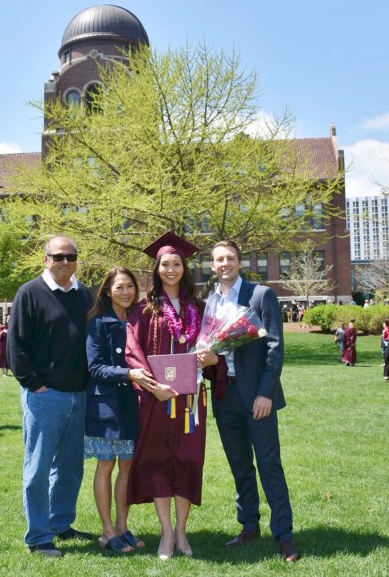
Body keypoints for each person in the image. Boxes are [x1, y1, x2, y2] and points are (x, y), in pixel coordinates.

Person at [125, 232, 219, 561]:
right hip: (158, 399)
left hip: (191, 400)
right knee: (159, 461)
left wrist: (214, 358)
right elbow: (133, 352)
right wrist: (153, 387)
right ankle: (166, 531)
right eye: (165, 264)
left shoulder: (200, 308)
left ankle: (182, 530)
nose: (171, 269)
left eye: (176, 264)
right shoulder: (145, 309)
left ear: (185, 268)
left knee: (189, 460)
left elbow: (213, 348)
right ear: (157, 268)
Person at [206, 240, 301, 563]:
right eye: (219, 259)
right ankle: (248, 526)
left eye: (230, 258)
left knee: (269, 464)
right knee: (240, 466)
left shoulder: (261, 295)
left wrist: (266, 393)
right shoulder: (210, 302)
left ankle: (284, 534)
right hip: (224, 395)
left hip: (257, 396)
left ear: (240, 262)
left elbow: (275, 347)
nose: (225, 264)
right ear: (212, 265)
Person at [7, 236, 95, 558]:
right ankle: (39, 537)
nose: (65, 262)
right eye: (58, 257)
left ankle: (61, 523)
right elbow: (15, 345)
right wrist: (33, 383)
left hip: (78, 394)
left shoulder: (84, 294)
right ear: (46, 259)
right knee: (39, 469)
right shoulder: (29, 293)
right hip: (45, 396)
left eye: (71, 257)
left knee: (71, 467)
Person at [85, 267, 157, 554]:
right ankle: (106, 531)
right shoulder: (99, 323)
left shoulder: (139, 320)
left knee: (127, 466)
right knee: (106, 465)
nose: (126, 292)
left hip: (132, 406)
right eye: (119, 287)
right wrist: (130, 374)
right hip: (104, 406)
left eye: (130, 286)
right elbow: (95, 367)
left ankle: (123, 526)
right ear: (107, 291)